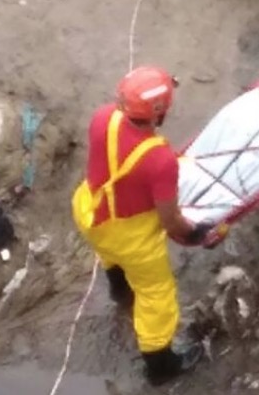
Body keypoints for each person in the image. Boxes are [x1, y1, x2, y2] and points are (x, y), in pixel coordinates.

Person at [71, 65, 222, 386]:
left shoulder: (103, 117)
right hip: (130, 236)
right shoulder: (160, 160)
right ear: (159, 112)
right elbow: (169, 220)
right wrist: (196, 233)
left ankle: (119, 288)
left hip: (90, 211)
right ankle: (160, 364)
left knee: (111, 255)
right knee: (156, 294)